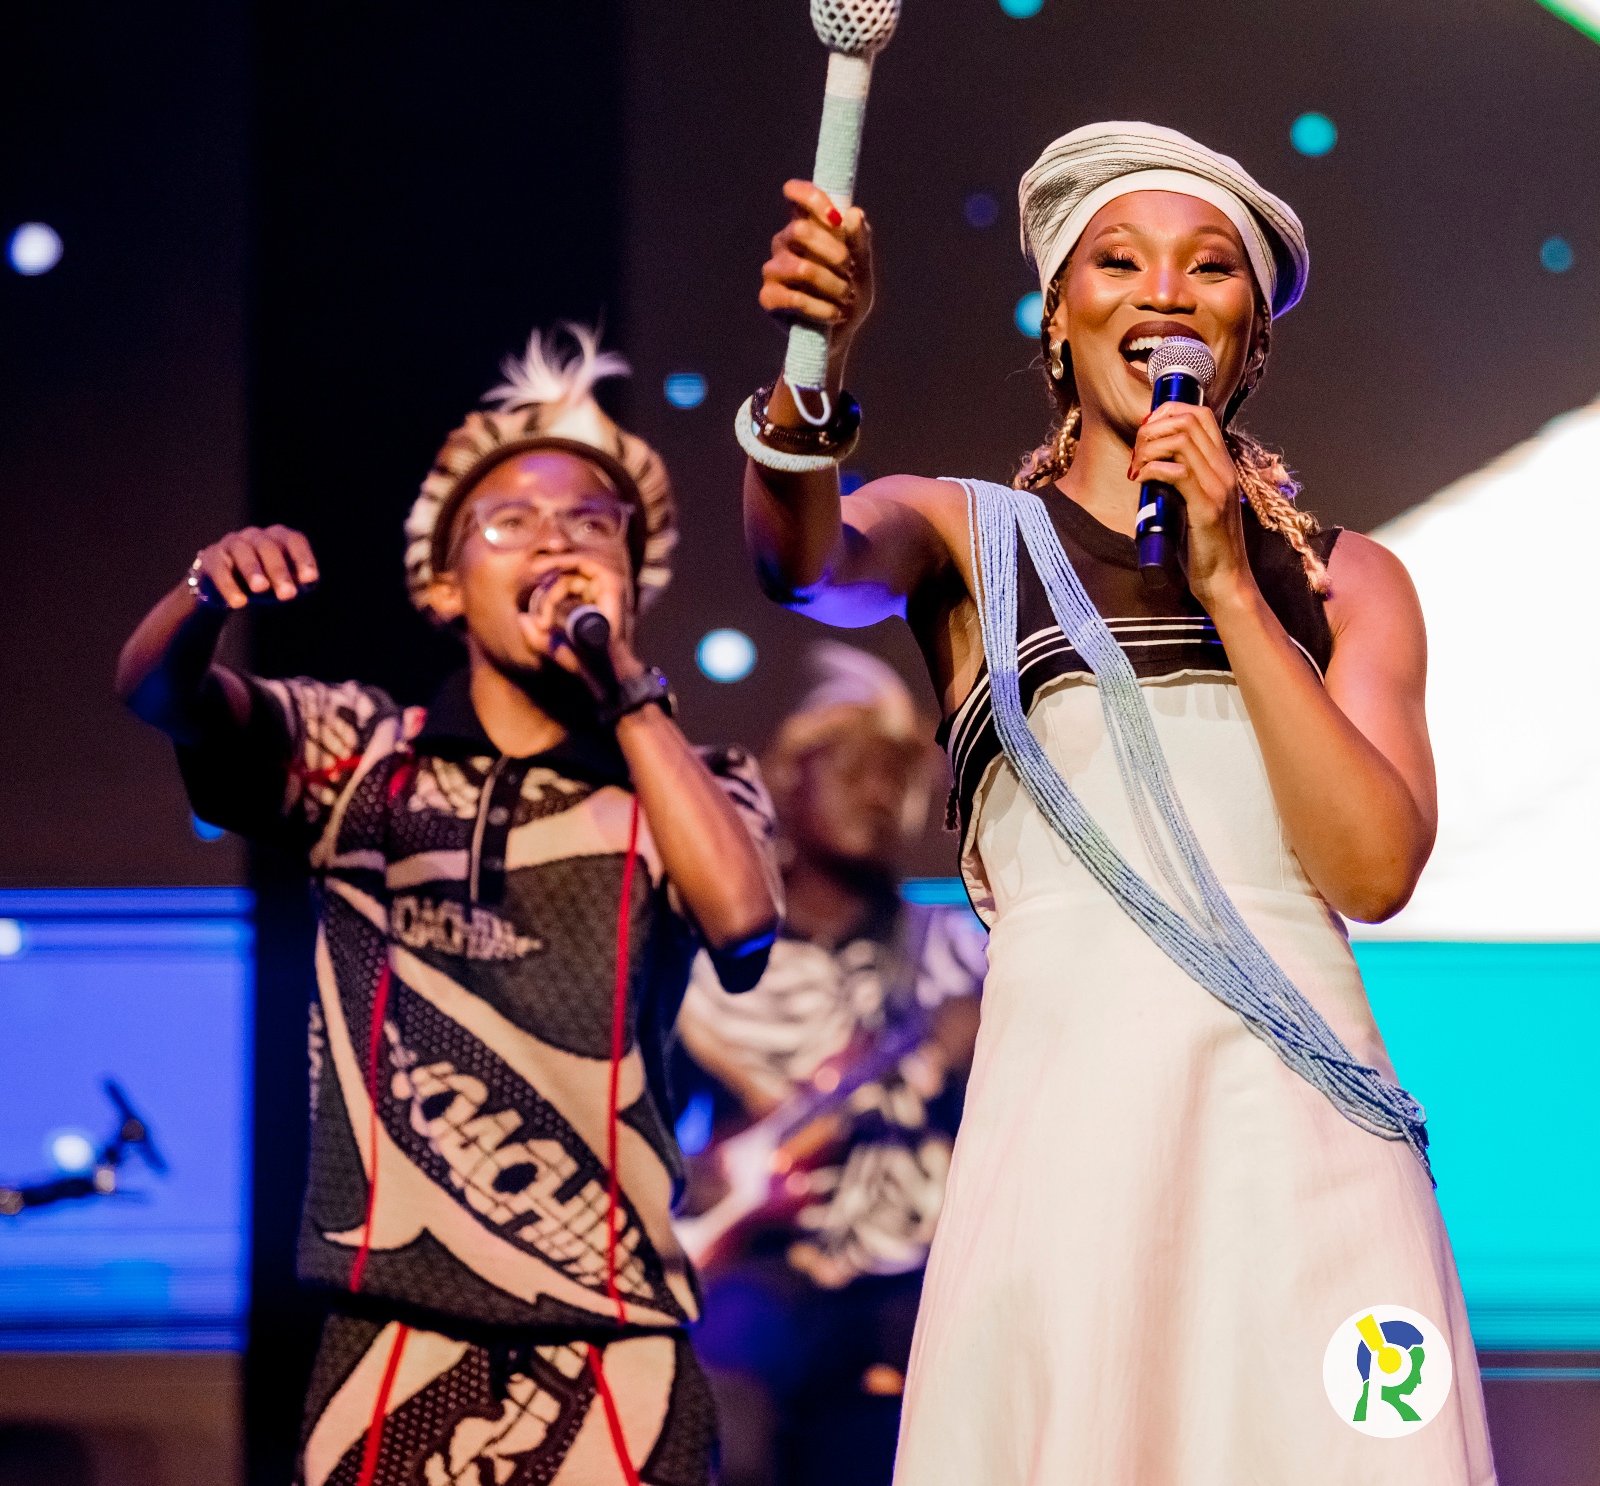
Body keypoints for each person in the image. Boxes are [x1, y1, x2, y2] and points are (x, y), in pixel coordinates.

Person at [737, 123, 1496, 1483]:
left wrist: (1228, 583)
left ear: (1249, 338)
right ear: (1057, 314)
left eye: (1207, 266)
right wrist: (813, 372)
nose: (1162, 292)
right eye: (1118, 260)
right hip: (1069, 1131)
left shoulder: (1348, 583)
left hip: (1308, 1142)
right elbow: (804, 560)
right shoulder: (967, 538)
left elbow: (1372, 869)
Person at [117, 325, 782, 1486]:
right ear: (442, 581)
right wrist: (201, 595)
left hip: (620, 1346)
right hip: (392, 1338)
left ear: (636, 574)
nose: (557, 540)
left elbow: (741, 918)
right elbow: (162, 693)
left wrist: (626, 688)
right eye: (510, 521)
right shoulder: (358, 753)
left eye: (593, 522)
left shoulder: (692, 782)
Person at [672, 643, 987, 1486]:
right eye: (851, 766)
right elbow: (639, 1128)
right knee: (712, 1405)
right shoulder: (708, 961)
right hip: (766, 1267)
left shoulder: (960, 953)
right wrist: (705, 1176)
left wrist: (971, 1049)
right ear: (787, 777)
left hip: (921, 1273)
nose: (878, 791)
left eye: (896, 773)